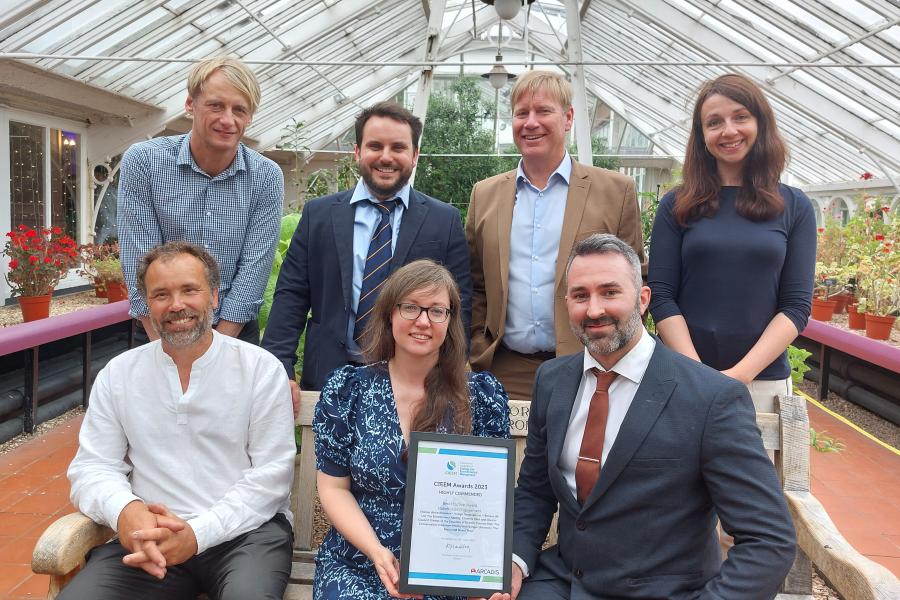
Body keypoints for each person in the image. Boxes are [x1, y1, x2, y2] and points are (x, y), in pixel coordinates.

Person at [489, 234, 795, 600]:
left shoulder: (710, 398)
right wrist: (515, 562)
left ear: (643, 299)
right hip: (564, 583)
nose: (594, 309)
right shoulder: (552, 381)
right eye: (581, 295)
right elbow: (536, 492)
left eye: (610, 292)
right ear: (567, 302)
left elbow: (769, 540)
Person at [61, 241, 296, 600]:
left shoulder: (260, 369)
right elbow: (92, 467)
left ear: (214, 296)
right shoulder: (119, 374)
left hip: (245, 535)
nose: (176, 305)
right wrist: (126, 511)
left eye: (190, 290)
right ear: (147, 304)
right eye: (160, 294)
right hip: (152, 535)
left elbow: (271, 477)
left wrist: (196, 534)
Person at [313, 259, 509, 600]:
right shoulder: (349, 390)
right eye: (410, 307)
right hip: (362, 560)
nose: (423, 321)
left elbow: (491, 501)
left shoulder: (481, 397)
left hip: (452, 568)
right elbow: (333, 488)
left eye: (437, 311)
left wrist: (479, 578)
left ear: (450, 321)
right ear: (390, 313)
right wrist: (377, 554)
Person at [262, 101, 472, 406]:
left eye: (398, 147)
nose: (386, 157)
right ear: (357, 152)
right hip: (329, 378)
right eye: (375, 146)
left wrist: (446, 376)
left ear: (414, 156)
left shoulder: (444, 221)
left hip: (414, 385)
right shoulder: (319, 215)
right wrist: (280, 368)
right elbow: (291, 295)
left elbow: (459, 309)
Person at [467, 70, 644, 400]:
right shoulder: (485, 195)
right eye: (522, 113)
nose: (530, 122)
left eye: (543, 111)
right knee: (509, 453)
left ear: (568, 118)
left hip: (589, 365)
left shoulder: (615, 191)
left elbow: (635, 280)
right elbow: (476, 283)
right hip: (505, 371)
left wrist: (614, 347)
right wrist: (479, 341)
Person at [648, 73, 816, 412]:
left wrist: (739, 375)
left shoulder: (795, 207)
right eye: (714, 122)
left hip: (762, 384)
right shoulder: (676, 205)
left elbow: (796, 306)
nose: (729, 130)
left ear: (761, 123)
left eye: (740, 117)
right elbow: (662, 296)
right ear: (702, 136)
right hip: (682, 378)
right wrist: (696, 371)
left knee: (753, 466)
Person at [118, 56, 283, 346]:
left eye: (239, 110)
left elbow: (254, 269)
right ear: (190, 104)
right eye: (216, 105)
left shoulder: (266, 176)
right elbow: (138, 262)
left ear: (250, 117)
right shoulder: (144, 162)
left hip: (233, 332)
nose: (227, 119)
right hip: (158, 329)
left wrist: (215, 351)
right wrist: (167, 350)